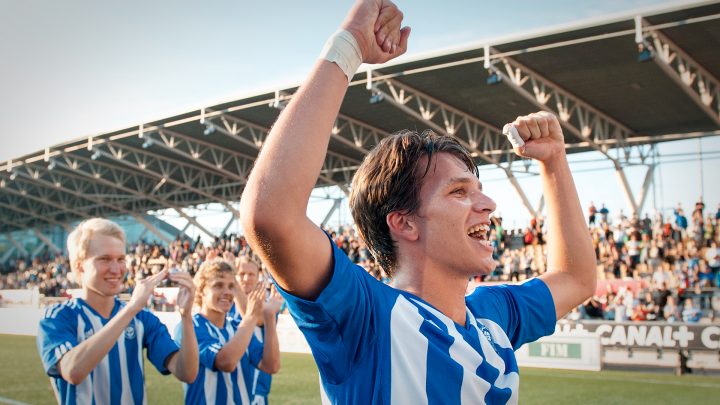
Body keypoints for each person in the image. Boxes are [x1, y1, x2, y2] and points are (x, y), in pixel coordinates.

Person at [239, 0, 595, 403]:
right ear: (404, 223)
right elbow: (271, 216)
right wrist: (350, 45)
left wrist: (554, 162)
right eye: (459, 192)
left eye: (477, 189)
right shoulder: (368, 317)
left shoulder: (491, 318)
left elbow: (576, 279)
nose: (489, 204)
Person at [37, 218, 198, 405]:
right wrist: (130, 308)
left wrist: (186, 316)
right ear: (80, 266)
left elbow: (187, 373)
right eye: (105, 259)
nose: (116, 269)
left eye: (121, 259)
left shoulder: (142, 319)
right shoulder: (58, 317)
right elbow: (73, 371)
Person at [180, 259, 280, 405]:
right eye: (218, 285)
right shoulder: (190, 327)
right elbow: (226, 362)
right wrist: (251, 316)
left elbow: (271, 365)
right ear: (201, 290)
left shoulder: (236, 328)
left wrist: (269, 317)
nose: (227, 292)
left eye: (231, 286)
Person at [234, 258, 284, 405]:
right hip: (230, 385)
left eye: (251, 274)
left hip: (256, 391)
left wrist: (233, 283)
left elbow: (256, 319)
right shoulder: (226, 304)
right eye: (241, 273)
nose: (246, 278)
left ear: (258, 277)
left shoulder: (268, 303)